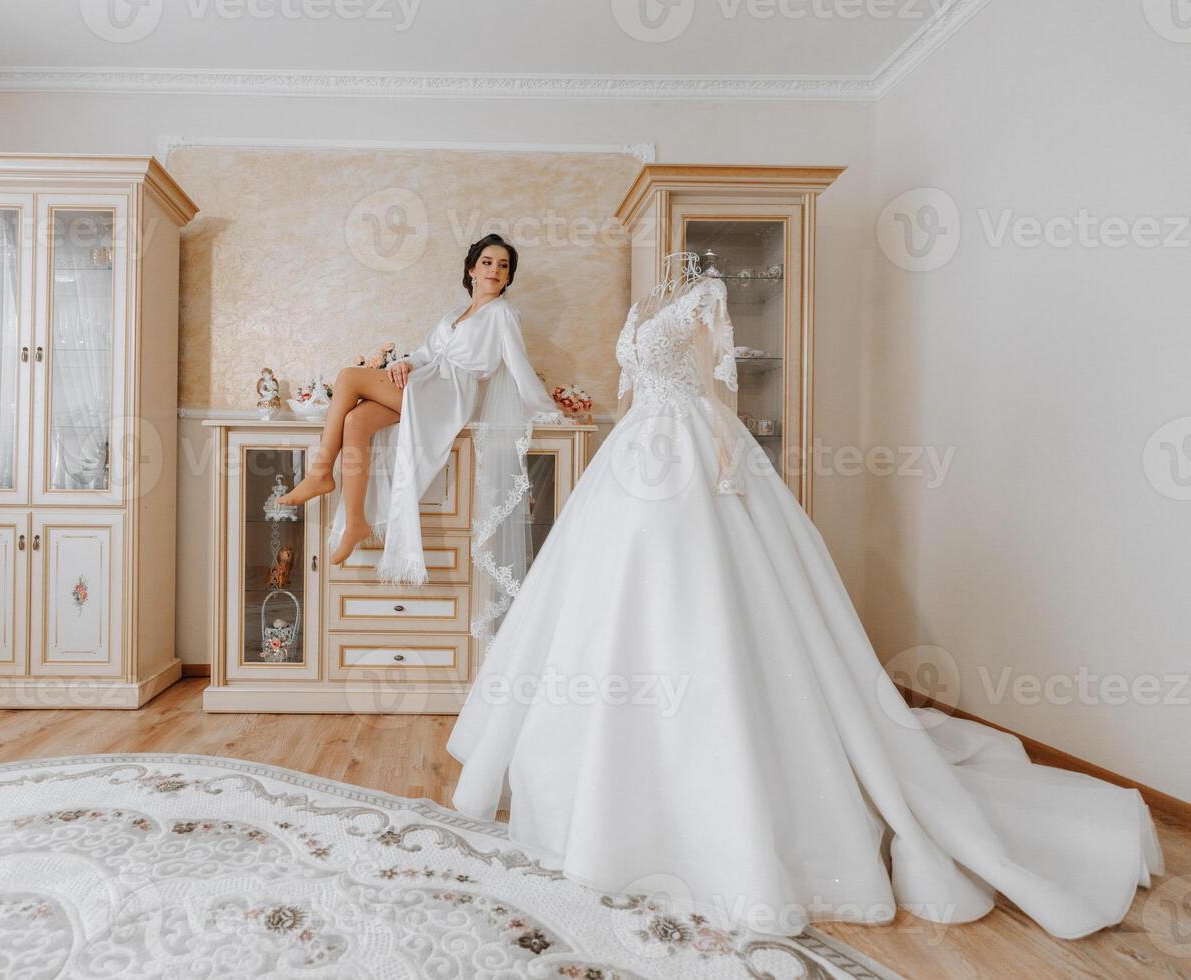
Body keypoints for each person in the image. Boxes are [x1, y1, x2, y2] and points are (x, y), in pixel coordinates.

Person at [447, 251, 1164, 938]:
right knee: (608, 607)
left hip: (694, 455)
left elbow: (719, 386)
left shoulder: (705, 293)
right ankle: (601, 798)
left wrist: (728, 466)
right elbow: (633, 389)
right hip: (632, 458)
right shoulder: (640, 305)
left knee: (703, 605)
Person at [279, 234, 563, 635]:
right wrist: (404, 365)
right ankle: (357, 520)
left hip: (450, 393)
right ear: (471, 269)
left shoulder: (503, 315)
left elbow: (518, 364)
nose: (494, 270)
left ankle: (321, 471)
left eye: (502, 266)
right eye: (487, 262)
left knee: (348, 378)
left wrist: (545, 409)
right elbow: (426, 353)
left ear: (508, 277)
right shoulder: (453, 314)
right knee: (356, 422)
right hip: (427, 380)